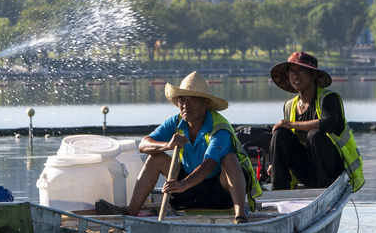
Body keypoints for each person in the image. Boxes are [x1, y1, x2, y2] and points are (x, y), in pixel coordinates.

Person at [95, 72, 261, 223]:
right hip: (188, 190)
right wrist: (167, 145)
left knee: (230, 158)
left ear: (206, 103)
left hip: (218, 192)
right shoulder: (176, 121)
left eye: (192, 100)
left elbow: (209, 164)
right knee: (155, 158)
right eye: (182, 99)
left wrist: (183, 185)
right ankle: (131, 212)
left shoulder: (220, 127)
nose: (185, 105)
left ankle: (240, 216)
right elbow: (144, 144)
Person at [268, 52, 364, 192]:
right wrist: (274, 163)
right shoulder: (290, 105)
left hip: (331, 170)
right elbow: (286, 140)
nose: (295, 76)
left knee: (315, 135)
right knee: (280, 133)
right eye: (292, 72)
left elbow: (328, 123)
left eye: (300, 71)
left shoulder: (329, 98)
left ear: (313, 75)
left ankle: (325, 190)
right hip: (306, 170)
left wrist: (291, 124)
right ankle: (278, 191)